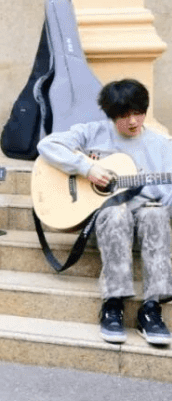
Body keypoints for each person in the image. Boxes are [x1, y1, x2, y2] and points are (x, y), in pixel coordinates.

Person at [36, 79, 172, 346]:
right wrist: (86, 168)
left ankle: (152, 308)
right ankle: (113, 304)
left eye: (138, 113)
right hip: (109, 217)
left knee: (156, 214)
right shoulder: (93, 132)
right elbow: (47, 146)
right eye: (124, 115)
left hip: (147, 215)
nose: (133, 121)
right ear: (111, 115)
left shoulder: (162, 145)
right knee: (116, 214)